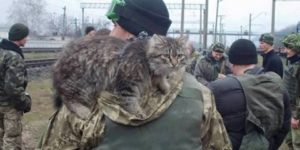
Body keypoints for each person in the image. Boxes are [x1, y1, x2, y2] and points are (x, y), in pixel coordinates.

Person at [38, 0, 232, 149]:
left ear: (132, 39)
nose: (110, 34)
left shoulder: (87, 94)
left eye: (115, 26)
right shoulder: (200, 96)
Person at [208, 39, 290, 150]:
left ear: (232, 63)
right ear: (255, 61)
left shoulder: (217, 89)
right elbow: (284, 125)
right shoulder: (277, 85)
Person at [0, 23, 31, 149]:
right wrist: (24, 103)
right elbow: (13, 88)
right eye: (25, 36)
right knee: (12, 139)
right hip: (10, 106)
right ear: (20, 37)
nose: (27, 39)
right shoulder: (14, 57)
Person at [281, 33, 300, 150]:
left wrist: (296, 116)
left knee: (297, 144)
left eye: (288, 48)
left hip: (296, 113)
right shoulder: (292, 63)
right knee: (290, 142)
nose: (285, 51)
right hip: (289, 110)